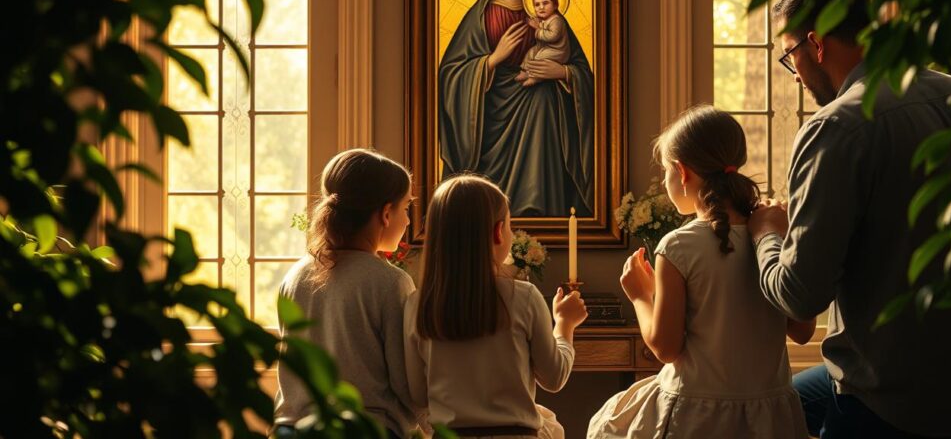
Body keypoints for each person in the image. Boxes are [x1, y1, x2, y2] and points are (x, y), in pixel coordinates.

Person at [749, 0, 951, 438]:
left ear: (816, 45)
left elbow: (801, 294)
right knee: (794, 401)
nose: (793, 72)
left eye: (789, 55)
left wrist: (766, 234)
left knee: (767, 411)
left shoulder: (837, 128)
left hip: (892, 402)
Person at [588, 105, 813, 439]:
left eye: (665, 171)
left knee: (606, 425)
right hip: (770, 418)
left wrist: (640, 295)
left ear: (681, 172)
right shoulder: (774, 235)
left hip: (696, 418)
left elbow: (666, 348)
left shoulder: (679, 246)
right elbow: (803, 331)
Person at [404, 174, 588, 438]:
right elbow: (554, 377)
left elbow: (418, 393)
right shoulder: (523, 297)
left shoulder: (416, 305)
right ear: (498, 232)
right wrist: (565, 324)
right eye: (510, 226)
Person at [438, 0, 594, 217]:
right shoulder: (480, 16)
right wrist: (492, 59)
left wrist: (562, 72)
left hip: (541, 113)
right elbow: (451, 74)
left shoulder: (549, 17)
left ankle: (540, 207)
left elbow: (583, 71)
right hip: (490, 113)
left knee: (543, 97)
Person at [273, 149, 422, 439]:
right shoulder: (390, 282)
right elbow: (406, 384)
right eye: (406, 208)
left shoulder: (294, 277)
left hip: (293, 431)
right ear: (386, 213)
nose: (408, 221)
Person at [515, 0, 570, 88]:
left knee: (540, 57)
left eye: (545, 3)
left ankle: (535, 77)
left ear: (555, 6)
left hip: (558, 51)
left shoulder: (556, 20)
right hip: (545, 47)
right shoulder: (543, 20)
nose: (541, 7)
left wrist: (537, 29)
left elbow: (552, 36)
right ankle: (525, 71)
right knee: (531, 52)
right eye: (537, 5)